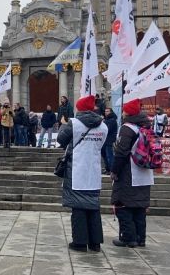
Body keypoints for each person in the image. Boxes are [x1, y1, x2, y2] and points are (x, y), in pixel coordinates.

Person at [58, 95, 108, 252]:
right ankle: (95, 242)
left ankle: (80, 242)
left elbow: (61, 139)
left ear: (80, 108)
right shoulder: (103, 126)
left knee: (78, 206)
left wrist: (64, 125)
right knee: (93, 206)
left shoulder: (74, 123)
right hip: (93, 169)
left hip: (76, 168)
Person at [111, 99, 152, 248]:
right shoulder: (146, 126)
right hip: (145, 172)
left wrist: (114, 170)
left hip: (129, 171)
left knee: (124, 205)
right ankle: (141, 238)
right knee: (140, 207)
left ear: (127, 112)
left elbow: (121, 152)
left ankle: (128, 238)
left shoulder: (127, 128)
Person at [102, 108, 118, 175]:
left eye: (107, 111)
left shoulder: (112, 120)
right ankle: (107, 169)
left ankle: (111, 170)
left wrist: (103, 123)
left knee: (109, 155)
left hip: (109, 140)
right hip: (104, 140)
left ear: (111, 112)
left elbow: (107, 129)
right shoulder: (107, 120)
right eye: (105, 111)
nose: (106, 112)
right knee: (105, 155)